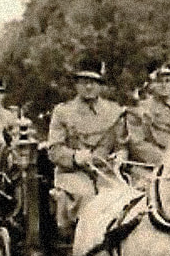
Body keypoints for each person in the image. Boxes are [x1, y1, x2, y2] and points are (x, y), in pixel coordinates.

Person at [47, 58, 129, 238]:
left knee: (123, 199)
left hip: (105, 171)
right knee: (88, 199)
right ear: (76, 84)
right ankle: (83, 246)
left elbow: (121, 145)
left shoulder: (114, 111)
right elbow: (54, 150)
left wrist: (121, 155)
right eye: (84, 82)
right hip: (72, 173)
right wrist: (75, 156)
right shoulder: (63, 112)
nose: (89, 87)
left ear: (100, 85)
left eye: (93, 82)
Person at [125, 61, 170, 187]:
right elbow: (137, 144)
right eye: (159, 81)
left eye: (168, 81)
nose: (164, 85)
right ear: (150, 84)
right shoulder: (140, 108)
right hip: (148, 168)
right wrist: (166, 160)